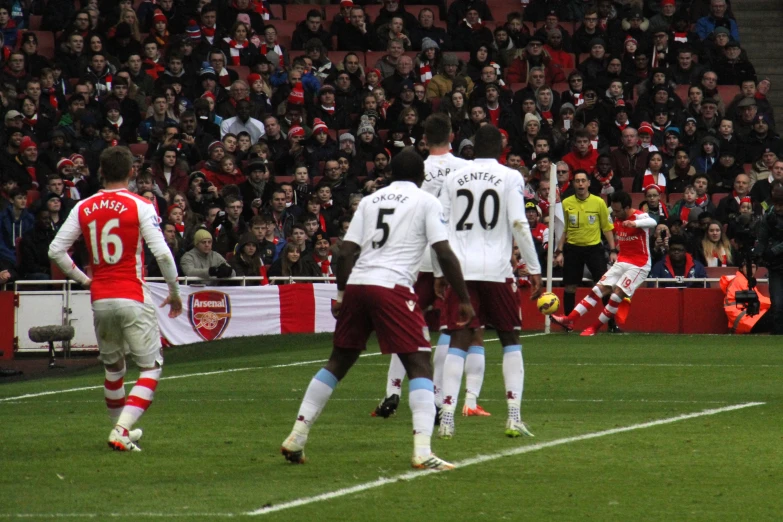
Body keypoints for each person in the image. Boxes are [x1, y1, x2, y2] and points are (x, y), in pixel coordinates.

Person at [281, 149, 474, 471]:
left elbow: (344, 252)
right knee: (419, 365)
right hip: (392, 286)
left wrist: (343, 294)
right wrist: (464, 297)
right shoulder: (427, 202)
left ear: (391, 174)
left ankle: (297, 435)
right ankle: (423, 451)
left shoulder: (371, 201)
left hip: (359, 283)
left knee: (339, 361)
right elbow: (443, 251)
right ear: (421, 176)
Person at [47, 147, 182, 452]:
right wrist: (174, 292)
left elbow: (55, 251)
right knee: (150, 368)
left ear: (101, 172)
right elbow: (162, 253)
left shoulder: (84, 206)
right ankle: (122, 428)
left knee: (113, 369)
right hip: (132, 294)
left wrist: (85, 280)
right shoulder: (142, 205)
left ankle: (118, 432)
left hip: (101, 298)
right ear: (132, 171)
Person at [437, 125, 543, 440]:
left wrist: (441, 271)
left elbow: (440, 224)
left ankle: (447, 418)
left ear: (471, 148)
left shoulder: (453, 177)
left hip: (460, 269)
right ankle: (513, 417)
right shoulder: (511, 177)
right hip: (497, 269)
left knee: (458, 338)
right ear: (501, 148)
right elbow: (518, 222)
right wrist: (533, 266)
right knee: (510, 338)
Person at [372, 114, 477, 419]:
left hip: (414, 259)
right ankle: (439, 395)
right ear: (452, 136)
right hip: (452, 257)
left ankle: (392, 390)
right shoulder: (467, 170)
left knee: (408, 325)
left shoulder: (416, 170)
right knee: (448, 327)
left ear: (425, 139)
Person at [552, 191, 657, 336]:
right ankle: (570, 319)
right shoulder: (617, 218)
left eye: (618, 210)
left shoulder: (639, 216)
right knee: (596, 290)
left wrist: (634, 223)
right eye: (613, 210)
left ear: (627, 208)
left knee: (616, 295)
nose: (615, 213)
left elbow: (653, 222)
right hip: (622, 261)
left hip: (639, 264)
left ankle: (594, 328)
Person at [553, 170, 618, 326]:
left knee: (604, 286)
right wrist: (560, 251)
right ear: (573, 183)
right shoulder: (566, 203)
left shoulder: (599, 202)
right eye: (577, 181)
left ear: (589, 183)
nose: (580, 184)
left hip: (594, 249)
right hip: (573, 249)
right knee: (569, 287)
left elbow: (606, 228)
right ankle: (568, 322)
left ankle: (611, 324)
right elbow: (565, 229)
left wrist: (613, 250)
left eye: (583, 180)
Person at [755, 181, 783, 334]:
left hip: (776, 258)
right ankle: (778, 335)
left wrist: (773, 251)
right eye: (776, 204)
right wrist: (758, 253)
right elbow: (762, 238)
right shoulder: (769, 217)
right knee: (777, 304)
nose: (778, 208)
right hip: (776, 266)